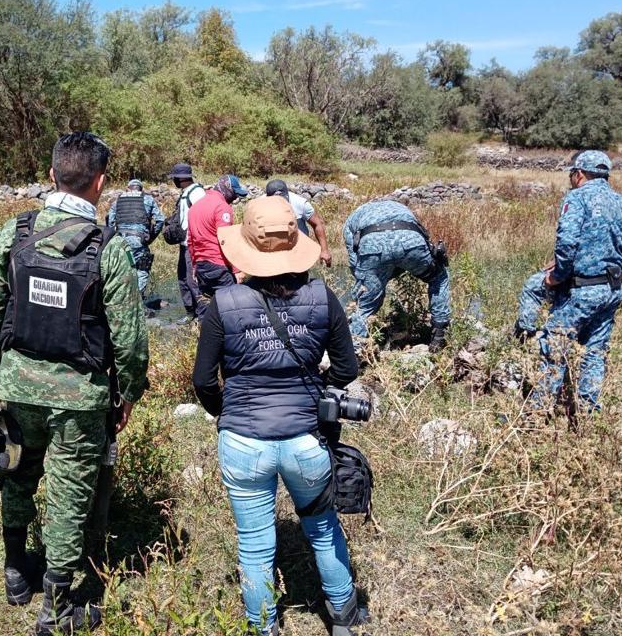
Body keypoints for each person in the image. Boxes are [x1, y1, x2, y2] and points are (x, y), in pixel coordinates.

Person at [0, 132, 149, 635]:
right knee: (68, 496)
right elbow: (129, 338)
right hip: (80, 399)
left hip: (15, 386)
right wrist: (128, 390)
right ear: (101, 183)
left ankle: (14, 572)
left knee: (18, 474)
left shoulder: (14, 233)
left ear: (51, 176)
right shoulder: (107, 248)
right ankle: (57, 608)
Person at [191, 196, 366, 636]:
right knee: (323, 529)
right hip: (307, 439)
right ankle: (344, 615)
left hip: (244, 441)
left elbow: (203, 382)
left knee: (254, 545)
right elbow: (346, 370)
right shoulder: (323, 298)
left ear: (246, 245)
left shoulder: (224, 303)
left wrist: (224, 412)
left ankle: (263, 627)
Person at [529, 150, 622, 412]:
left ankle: (537, 414)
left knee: (555, 343)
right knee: (595, 350)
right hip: (612, 290)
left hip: (582, 290)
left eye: (572, 174)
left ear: (578, 174)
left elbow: (567, 243)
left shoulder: (577, 199)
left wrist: (555, 276)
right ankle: (588, 412)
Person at [343, 199, 451, 351]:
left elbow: (355, 263)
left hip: (372, 247)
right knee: (439, 277)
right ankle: (440, 333)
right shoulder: (402, 208)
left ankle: (355, 350)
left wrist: (374, 283)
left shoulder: (352, 218)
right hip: (410, 241)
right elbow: (423, 238)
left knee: (366, 304)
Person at [187, 174, 248, 321]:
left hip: (202, 266)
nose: (235, 199)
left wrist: (195, 265)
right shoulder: (222, 207)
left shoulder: (195, 207)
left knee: (205, 308)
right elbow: (225, 239)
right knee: (231, 310)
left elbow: (190, 241)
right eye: (234, 194)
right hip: (219, 266)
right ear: (226, 190)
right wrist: (237, 270)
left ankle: (202, 338)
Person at [107, 178, 165, 295]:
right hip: (138, 242)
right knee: (142, 269)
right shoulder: (148, 199)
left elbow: (110, 222)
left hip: (122, 243)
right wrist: (151, 237)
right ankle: (137, 299)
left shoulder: (117, 201)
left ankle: (123, 297)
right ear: (141, 189)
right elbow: (160, 220)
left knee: (126, 267)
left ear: (128, 188)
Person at [168, 163, 207, 320]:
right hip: (184, 243)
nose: (174, 181)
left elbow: (202, 216)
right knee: (183, 279)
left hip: (193, 244)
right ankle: (190, 312)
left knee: (193, 280)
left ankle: (201, 316)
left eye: (175, 178)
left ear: (181, 178)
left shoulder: (197, 193)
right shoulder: (186, 192)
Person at [265, 179, 333, 267]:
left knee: (299, 277)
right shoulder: (260, 205)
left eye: (282, 200)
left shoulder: (300, 204)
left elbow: (317, 224)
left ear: (287, 194)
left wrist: (324, 250)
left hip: (299, 247)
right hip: (275, 249)